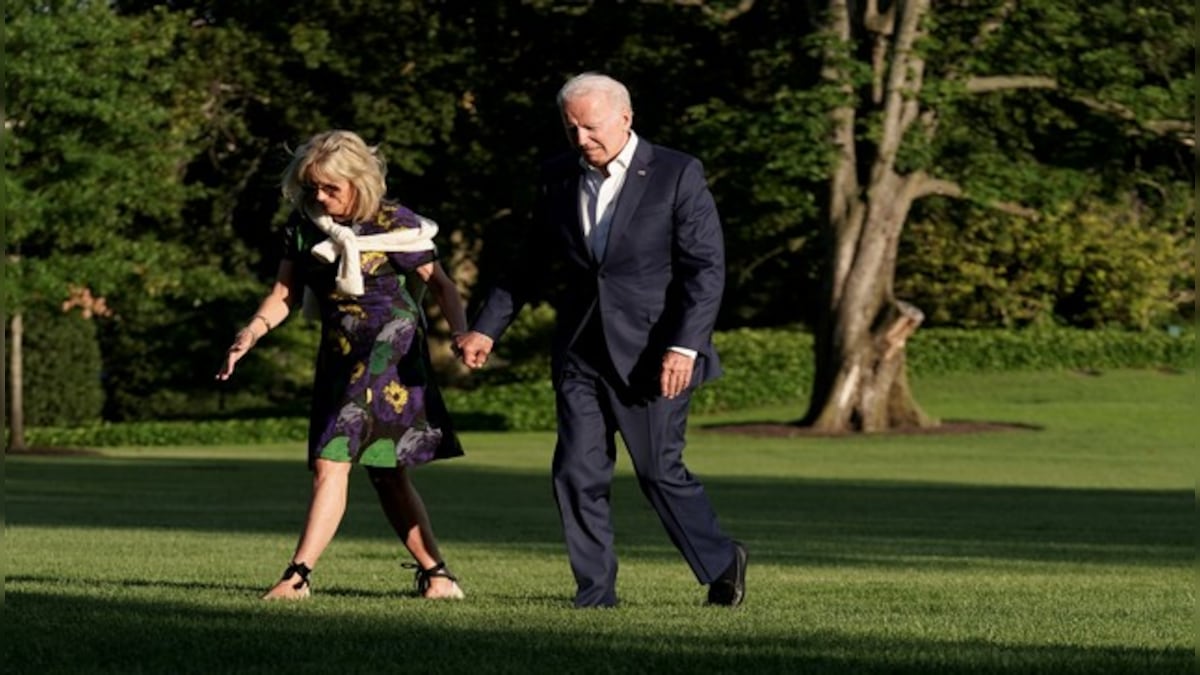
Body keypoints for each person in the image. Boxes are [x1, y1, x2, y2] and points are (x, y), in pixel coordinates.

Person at [456, 73, 747, 608]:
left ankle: (723, 561)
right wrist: (486, 327)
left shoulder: (677, 174)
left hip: (654, 354)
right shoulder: (556, 176)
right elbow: (527, 262)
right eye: (572, 129)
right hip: (580, 352)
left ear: (625, 118)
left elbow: (705, 269)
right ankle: (595, 594)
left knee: (659, 472)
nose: (582, 139)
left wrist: (684, 346)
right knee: (575, 470)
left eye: (591, 127)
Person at [217, 129, 467, 601]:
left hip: (391, 353)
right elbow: (284, 294)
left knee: (330, 463)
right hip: (339, 356)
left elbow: (443, 287)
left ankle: (297, 577)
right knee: (386, 472)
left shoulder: (398, 223)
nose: (319, 196)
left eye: (331, 187)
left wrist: (461, 334)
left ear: (360, 181)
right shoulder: (304, 225)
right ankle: (438, 576)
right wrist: (250, 332)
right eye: (312, 186)